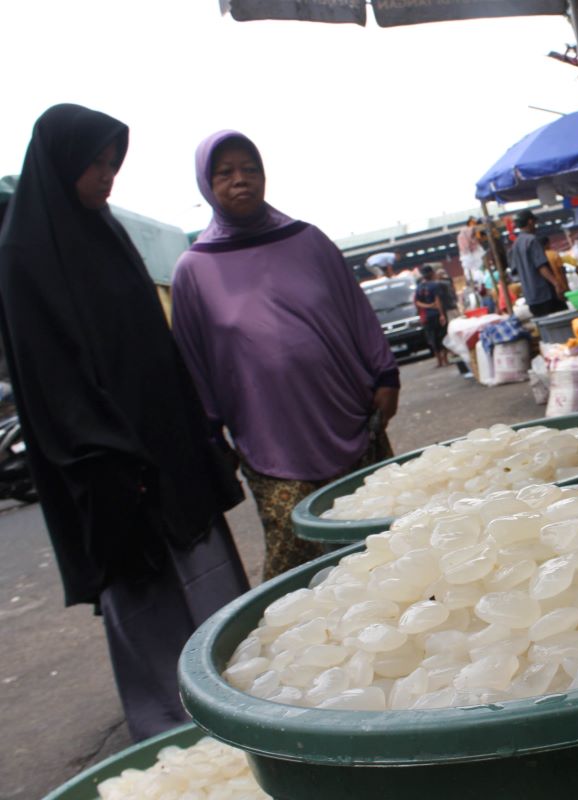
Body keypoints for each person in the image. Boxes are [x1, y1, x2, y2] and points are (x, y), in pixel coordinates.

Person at [0, 105, 248, 741]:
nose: (107, 177)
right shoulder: (25, 253)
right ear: (61, 165)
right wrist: (111, 456)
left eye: (114, 164)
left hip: (166, 448)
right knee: (148, 598)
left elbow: (151, 349)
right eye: (96, 164)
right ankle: (177, 737)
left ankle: (242, 704)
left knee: (210, 585)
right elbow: (49, 379)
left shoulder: (103, 232)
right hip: (108, 467)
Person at [172, 130, 399, 581]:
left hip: (351, 421)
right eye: (225, 172)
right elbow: (192, 362)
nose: (241, 180)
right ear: (206, 184)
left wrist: (385, 374)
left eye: (250, 169)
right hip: (271, 441)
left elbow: (356, 311)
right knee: (300, 566)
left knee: (382, 549)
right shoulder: (194, 270)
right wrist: (212, 436)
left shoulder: (308, 241)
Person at [508, 209, 567, 317]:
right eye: (534, 223)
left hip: (531, 298)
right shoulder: (532, 240)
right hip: (545, 295)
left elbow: (515, 271)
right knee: (561, 324)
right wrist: (556, 283)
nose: (535, 225)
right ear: (530, 222)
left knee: (545, 329)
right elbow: (541, 266)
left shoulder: (515, 245)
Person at [415, 264, 450, 368]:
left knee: (432, 338)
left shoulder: (419, 287)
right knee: (443, 336)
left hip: (426, 316)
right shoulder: (435, 285)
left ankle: (438, 362)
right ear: (432, 273)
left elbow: (417, 302)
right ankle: (445, 360)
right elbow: (438, 300)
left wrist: (427, 306)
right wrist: (442, 314)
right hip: (436, 315)